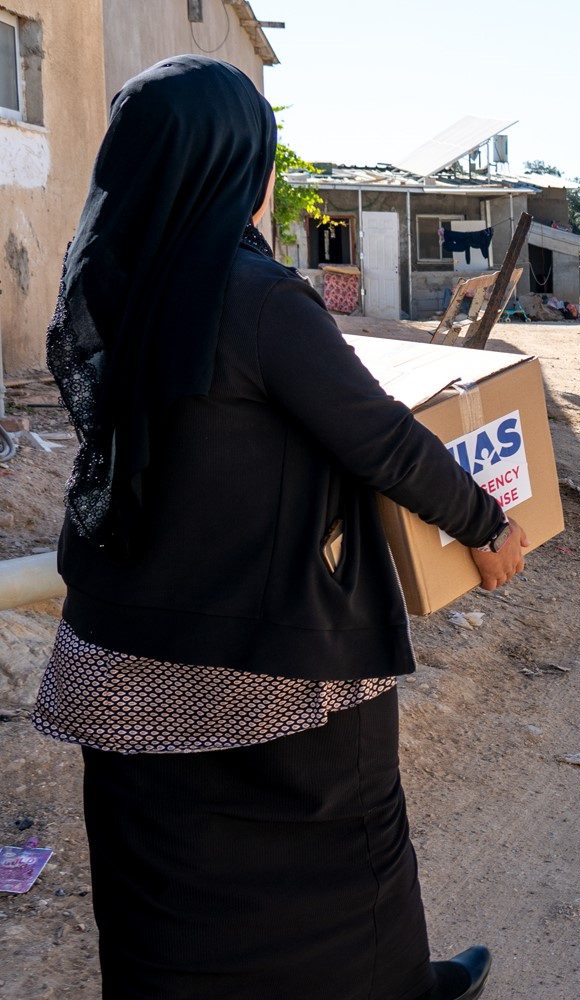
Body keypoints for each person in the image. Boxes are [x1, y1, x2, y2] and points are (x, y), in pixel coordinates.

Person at [34, 56, 523, 1000]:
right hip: (267, 662)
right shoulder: (255, 296)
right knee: (349, 852)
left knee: (159, 885)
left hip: (118, 652)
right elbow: (379, 436)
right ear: (230, 163)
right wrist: (484, 522)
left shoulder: (100, 277)